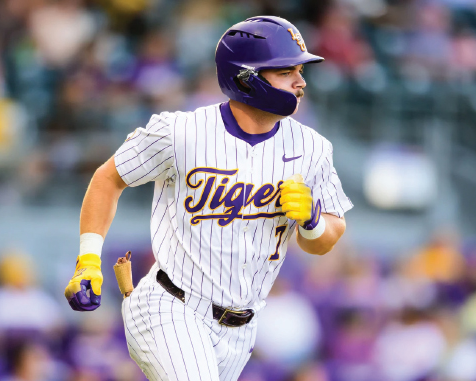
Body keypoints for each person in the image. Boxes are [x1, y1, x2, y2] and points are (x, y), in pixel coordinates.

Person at [64, 16, 353, 380]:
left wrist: (311, 221)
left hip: (242, 327)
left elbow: (329, 236)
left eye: (299, 70)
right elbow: (108, 178)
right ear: (246, 76)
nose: (301, 82)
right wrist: (88, 259)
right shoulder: (181, 132)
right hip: (171, 306)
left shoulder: (312, 148)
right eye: (285, 71)